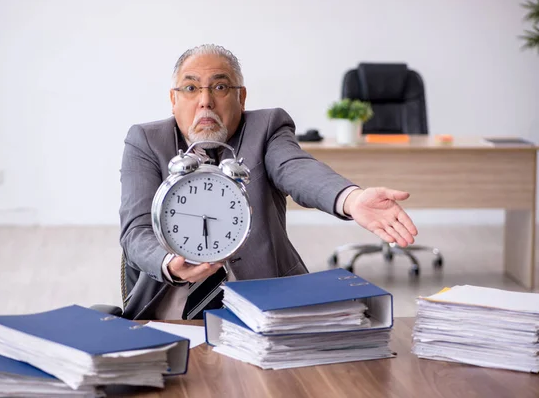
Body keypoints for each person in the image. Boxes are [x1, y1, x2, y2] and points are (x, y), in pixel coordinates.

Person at [119, 44, 418, 320]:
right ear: (173, 99)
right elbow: (136, 230)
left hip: (266, 308)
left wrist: (350, 199)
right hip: (169, 311)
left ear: (242, 97)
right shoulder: (145, 141)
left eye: (220, 87)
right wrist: (168, 263)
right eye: (190, 88)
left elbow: (297, 168)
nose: (205, 101)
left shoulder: (266, 128)